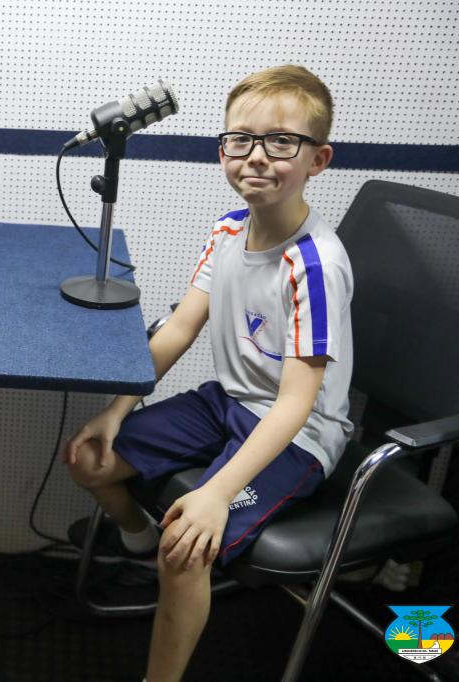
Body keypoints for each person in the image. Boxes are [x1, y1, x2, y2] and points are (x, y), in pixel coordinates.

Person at [64, 65, 353, 682]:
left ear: (318, 159)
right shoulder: (227, 230)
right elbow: (178, 329)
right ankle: (138, 545)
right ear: (223, 150)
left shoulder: (315, 265)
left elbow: (296, 404)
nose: (256, 156)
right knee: (90, 459)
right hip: (228, 401)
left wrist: (217, 494)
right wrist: (117, 410)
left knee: (186, 545)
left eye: (281, 141)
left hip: (296, 435)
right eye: (240, 139)